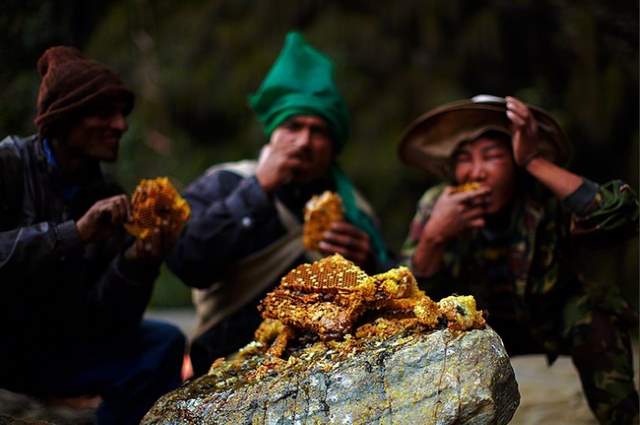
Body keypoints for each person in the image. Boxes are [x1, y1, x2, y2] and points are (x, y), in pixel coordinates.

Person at [399, 95, 639, 425]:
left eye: (492, 156)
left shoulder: (542, 194)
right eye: (465, 159)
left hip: (550, 317)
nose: (477, 172)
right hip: (474, 326)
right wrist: (434, 235)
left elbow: (622, 214)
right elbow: (406, 292)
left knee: (596, 313)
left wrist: (534, 162)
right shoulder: (436, 203)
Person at [167, 32, 390, 376]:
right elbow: (188, 262)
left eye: (318, 131)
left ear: (333, 146)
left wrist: (367, 263)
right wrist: (258, 189)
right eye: (293, 126)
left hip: (322, 368)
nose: (304, 142)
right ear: (272, 132)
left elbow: (389, 305)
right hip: (225, 360)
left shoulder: (355, 210)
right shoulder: (225, 182)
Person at [0, 46, 185, 424]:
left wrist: (137, 264)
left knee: (164, 342)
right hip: (5, 345)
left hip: (55, 350)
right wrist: (73, 233)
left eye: (121, 114)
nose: (121, 125)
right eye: (104, 113)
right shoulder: (9, 165)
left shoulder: (104, 193)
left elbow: (104, 320)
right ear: (63, 119)